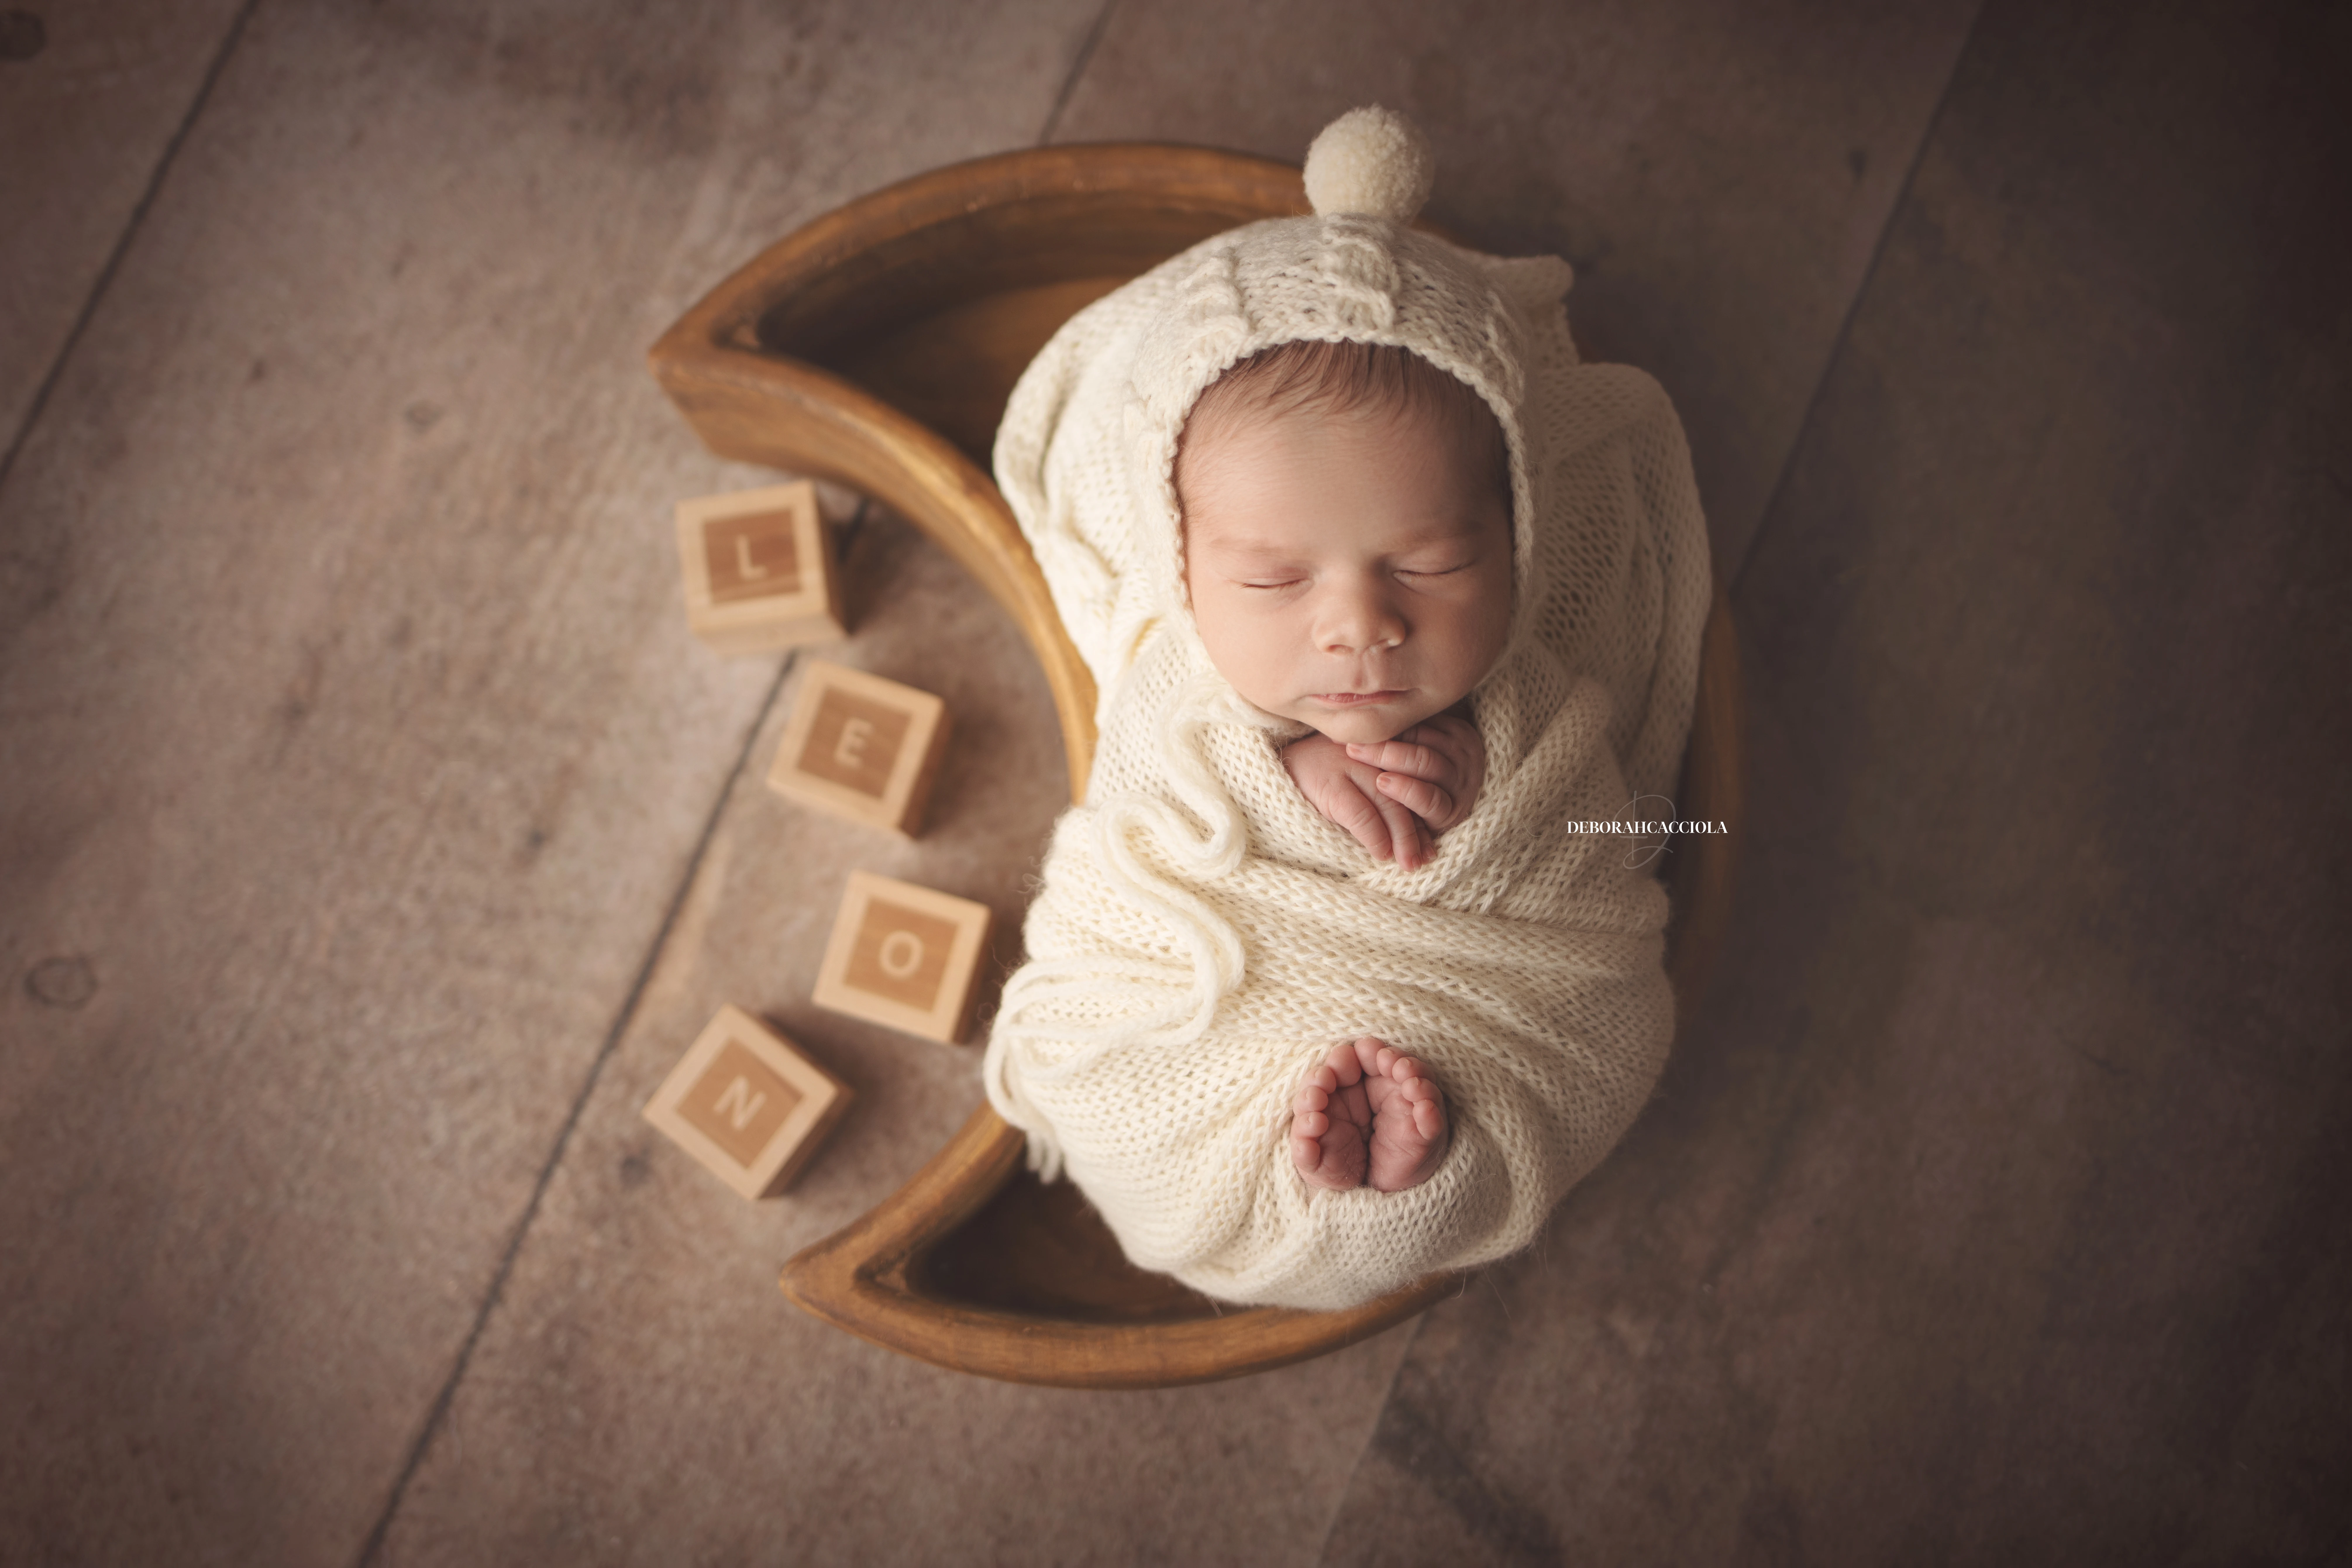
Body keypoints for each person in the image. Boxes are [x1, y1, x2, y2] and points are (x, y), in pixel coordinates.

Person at [981, 106, 1712, 1310]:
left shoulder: (1542, 709)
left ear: (1522, 539)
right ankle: (1343, 1175)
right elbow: (1134, 851)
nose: (1361, 626)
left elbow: (1605, 868)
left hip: (1486, 1029)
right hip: (1215, 1022)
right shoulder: (1177, 682)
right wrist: (1278, 782)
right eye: (1276, 581)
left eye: (1430, 565)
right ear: (1181, 568)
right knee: (1108, 1081)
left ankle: (1419, 1175)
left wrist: (1489, 805)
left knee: (1617, 1039)